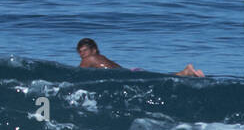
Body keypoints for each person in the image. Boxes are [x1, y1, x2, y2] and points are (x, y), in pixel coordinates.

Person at [75, 38, 204, 77]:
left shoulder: (90, 59)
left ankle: (186, 72)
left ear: (94, 50)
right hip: (132, 72)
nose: (82, 55)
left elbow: (77, 74)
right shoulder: (101, 58)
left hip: (127, 75)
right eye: (80, 52)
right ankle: (186, 72)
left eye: (85, 51)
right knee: (162, 77)